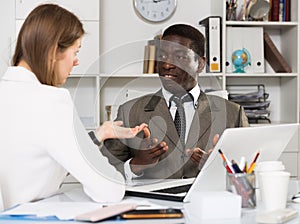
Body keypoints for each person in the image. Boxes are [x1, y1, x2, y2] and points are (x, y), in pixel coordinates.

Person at [0, 4, 147, 210]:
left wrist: (99, 134)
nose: (76, 62)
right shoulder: (51, 101)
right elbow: (109, 188)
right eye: (75, 52)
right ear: (53, 50)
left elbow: (38, 159)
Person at [102, 24, 249, 180]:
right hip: (154, 203)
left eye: (179, 57)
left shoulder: (234, 114)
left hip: (207, 202)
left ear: (200, 64)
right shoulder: (129, 111)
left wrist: (220, 168)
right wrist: (136, 165)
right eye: (162, 56)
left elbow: (250, 172)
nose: (166, 65)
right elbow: (104, 170)